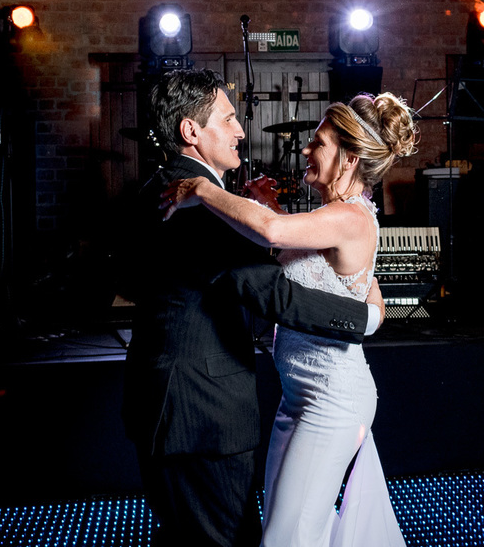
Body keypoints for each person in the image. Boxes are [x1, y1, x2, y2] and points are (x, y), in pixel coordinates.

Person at [121, 68, 378, 547]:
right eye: (230, 118)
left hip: (169, 402)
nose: (242, 129)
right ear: (191, 132)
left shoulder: (159, 187)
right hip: (202, 414)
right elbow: (272, 294)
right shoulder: (196, 203)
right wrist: (365, 318)